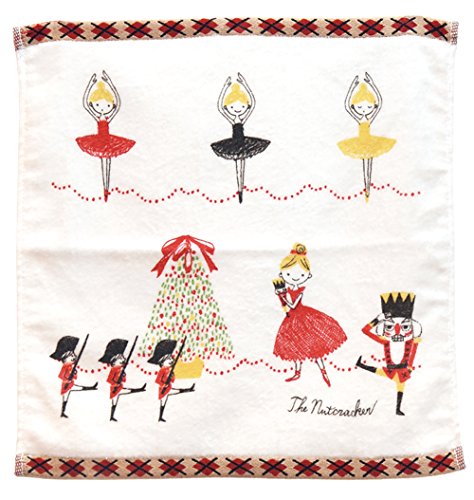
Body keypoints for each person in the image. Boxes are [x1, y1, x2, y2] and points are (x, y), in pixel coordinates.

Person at [273, 243, 347, 386]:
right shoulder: (287, 289)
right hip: (292, 320)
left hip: (304, 318)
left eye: (301, 274)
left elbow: (293, 305)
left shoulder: (300, 291)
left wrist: (282, 297)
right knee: (295, 348)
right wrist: (281, 295)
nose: (295, 277)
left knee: (315, 348)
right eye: (289, 274)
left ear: (308, 275)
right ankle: (297, 372)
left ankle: (323, 371)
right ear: (282, 274)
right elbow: (287, 308)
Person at [356, 292, 422, 416]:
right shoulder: (385, 341)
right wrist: (377, 319)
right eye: (390, 327)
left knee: (399, 386)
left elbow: (413, 352)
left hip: (402, 370)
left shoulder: (410, 341)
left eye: (405, 327)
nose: (397, 332)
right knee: (382, 374)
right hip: (392, 370)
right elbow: (365, 330)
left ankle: (397, 409)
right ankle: (360, 365)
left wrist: (410, 367)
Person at [76, 71, 135, 202]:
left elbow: (118, 104)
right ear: (93, 104)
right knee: (104, 161)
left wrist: (109, 82)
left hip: (108, 141)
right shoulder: (98, 117)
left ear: (111, 106)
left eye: (107, 105)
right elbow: (86, 104)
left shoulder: (108, 116)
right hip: (100, 141)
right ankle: (105, 188)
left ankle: (106, 189)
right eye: (98, 105)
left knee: (107, 160)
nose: (102, 108)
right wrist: (90, 84)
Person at [211, 73, 270, 203]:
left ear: (245, 106)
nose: (237, 109)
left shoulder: (242, 118)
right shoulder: (233, 119)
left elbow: (252, 103)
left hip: (243, 143)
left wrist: (244, 84)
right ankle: (240, 190)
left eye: (242, 106)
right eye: (232, 107)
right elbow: (220, 107)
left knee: (241, 163)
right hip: (235, 143)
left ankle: (241, 190)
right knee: (239, 163)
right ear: (228, 107)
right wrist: (225, 87)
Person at [337, 72, 396, 201]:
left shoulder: (369, 118)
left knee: (369, 164)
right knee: (365, 164)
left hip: (370, 143)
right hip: (361, 143)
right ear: (355, 106)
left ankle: (368, 188)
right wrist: (352, 87)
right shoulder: (359, 118)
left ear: (373, 106)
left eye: (369, 106)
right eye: (360, 107)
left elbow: (379, 103)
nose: (364, 109)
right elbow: (347, 105)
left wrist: (372, 84)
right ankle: (366, 189)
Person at [50, 335, 98, 418]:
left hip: (70, 384)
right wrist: (67, 378)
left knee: (76, 391)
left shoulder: (70, 367)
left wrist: (73, 374)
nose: (74, 357)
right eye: (71, 356)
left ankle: (91, 387)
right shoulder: (65, 367)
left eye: (73, 355)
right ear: (64, 358)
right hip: (66, 385)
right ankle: (62, 412)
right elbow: (61, 376)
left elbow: (74, 377)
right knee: (66, 398)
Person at [98, 338, 146, 421]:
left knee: (122, 394)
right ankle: (111, 416)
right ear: (114, 361)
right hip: (114, 388)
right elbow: (109, 380)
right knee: (115, 400)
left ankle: (138, 389)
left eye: (123, 359)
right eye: (120, 359)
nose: (123, 360)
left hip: (119, 386)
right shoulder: (114, 370)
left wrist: (122, 375)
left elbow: (124, 380)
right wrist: (116, 382)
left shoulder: (120, 369)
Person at [148, 340, 195, 422]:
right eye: (168, 358)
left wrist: (171, 375)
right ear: (162, 361)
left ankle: (188, 389)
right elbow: (158, 380)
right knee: (163, 402)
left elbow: (172, 380)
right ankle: (160, 417)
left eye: (171, 358)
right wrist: (164, 384)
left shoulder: (169, 370)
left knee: (175, 392)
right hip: (163, 389)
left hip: (168, 387)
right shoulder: (162, 370)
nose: (171, 360)